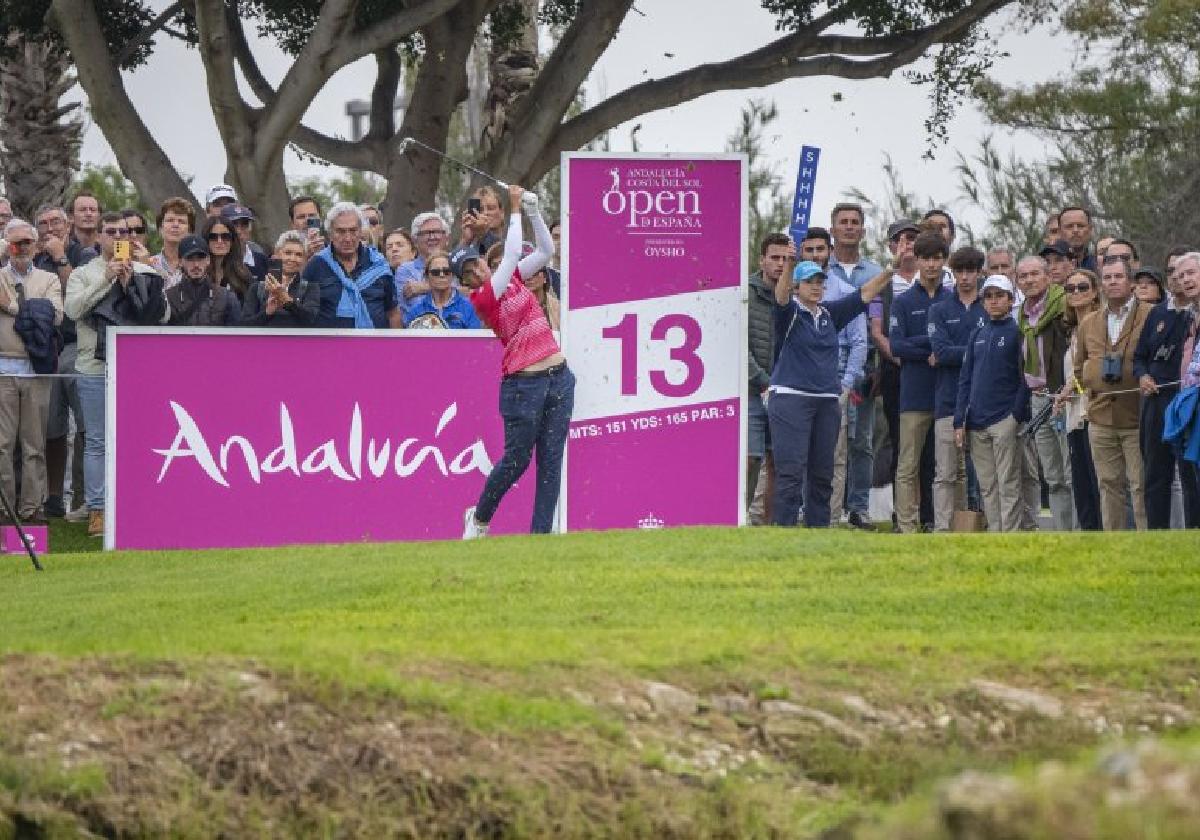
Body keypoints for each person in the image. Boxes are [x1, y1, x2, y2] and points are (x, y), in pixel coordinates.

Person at [458, 185, 569, 537]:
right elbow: (507, 259)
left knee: (551, 462)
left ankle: (540, 538)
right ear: (469, 282)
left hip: (558, 378)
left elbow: (546, 251)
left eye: (477, 264)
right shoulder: (484, 299)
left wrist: (535, 212)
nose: (477, 271)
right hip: (525, 385)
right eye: (471, 272)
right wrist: (516, 205)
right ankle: (479, 519)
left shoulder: (517, 278)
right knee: (516, 461)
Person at [767, 254, 891, 528]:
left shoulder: (829, 314)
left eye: (820, 281)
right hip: (791, 399)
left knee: (823, 473)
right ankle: (784, 531)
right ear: (797, 286)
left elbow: (865, 294)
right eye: (808, 281)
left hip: (826, 401)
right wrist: (788, 266)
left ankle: (818, 530)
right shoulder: (789, 314)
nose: (815, 286)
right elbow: (780, 297)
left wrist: (893, 268)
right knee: (791, 472)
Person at [65, 212, 169, 537]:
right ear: (99, 237)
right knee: (96, 440)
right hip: (94, 367)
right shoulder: (84, 274)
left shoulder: (143, 269)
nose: (118, 237)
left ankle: (138, 504)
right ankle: (98, 510)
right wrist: (107, 279)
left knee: (136, 438)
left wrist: (143, 276)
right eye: (110, 232)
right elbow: (72, 311)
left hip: (134, 367)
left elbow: (163, 315)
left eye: (124, 232)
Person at [1073, 255, 1151, 530]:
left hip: (1137, 417)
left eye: (1118, 276)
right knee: (1108, 484)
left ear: (1130, 281)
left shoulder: (1150, 315)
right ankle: (1114, 542)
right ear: (1101, 284)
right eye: (1107, 277)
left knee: (1140, 485)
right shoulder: (1089, 322)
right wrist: (1091, 391)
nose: (1113, 282)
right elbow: (1079, 365)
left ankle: (1147, 543)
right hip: (1101, 418)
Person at [954, 276, 1030, 532]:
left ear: (1010, 300)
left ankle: (1010, 534)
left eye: (1000, 295)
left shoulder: (1018, 332)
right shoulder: (977, 333)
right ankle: (996, 535)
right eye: (989, 296)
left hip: (1004, 419)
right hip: (976, 422)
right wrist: (959, 420)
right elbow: (965, 379)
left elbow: (1025, 377)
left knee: (1008, 482)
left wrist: (1015, 416)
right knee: (987, 485)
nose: (994, 301)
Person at [33, 204, 94, 520]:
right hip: (45, 350)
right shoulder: (35, 257)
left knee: (85, 426)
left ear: (68, 223)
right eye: (42, 224)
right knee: (52, 429)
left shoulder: (83, 254)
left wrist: (60, 257)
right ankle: (54, 498)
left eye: (55, 220)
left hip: (77, 344)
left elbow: (76, 300)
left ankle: (85, 498)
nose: (49, 228)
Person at [0, 219, 64, 522]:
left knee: (33, 445)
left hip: (36, 369)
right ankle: (5, 510)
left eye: (27, 242)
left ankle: (32, 508)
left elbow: (50, 317)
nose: (21, 248)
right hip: (3, 370)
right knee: (2, 445)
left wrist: (10, 306)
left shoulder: (48, 279)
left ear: (36, 246)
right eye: (15, 242)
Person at [890, 231, 952, 533]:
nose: (931, 264)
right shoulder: (903, 301)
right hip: (913, 394)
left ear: (944, 260)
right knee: (908, 465)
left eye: (937, 258)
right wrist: (932, 345)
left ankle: (945, 523)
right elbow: (896, 346)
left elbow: (959, 342)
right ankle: (907, 526)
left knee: (947, 466)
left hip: (946, 395)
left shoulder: (952, 299)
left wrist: (936, 348)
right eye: (925, 258)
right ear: (917, 261)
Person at [825, 207, 881, 529]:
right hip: (824, 371)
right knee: (828, 445)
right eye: (842, 222)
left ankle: (858, 508)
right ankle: (823, 507)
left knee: (862, 442)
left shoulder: (873, 272)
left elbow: (876, 322)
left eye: (854, 223)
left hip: (863, 372)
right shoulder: (819, 270)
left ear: (863, 230)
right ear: (832, 229)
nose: (848, 227)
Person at [1134, 257, 1199, 528]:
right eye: (1177, 273)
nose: (1183, 279)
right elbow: (1140, 357)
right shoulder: (1170, 314)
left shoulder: (1189, 315)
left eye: (1190, 273)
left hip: (1188, 400)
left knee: (1190, 473)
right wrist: (1144, 375)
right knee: (1160, 474)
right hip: (1165, 403)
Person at [928, 246, 988, 530]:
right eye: (959, 271)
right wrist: (978, 351)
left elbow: (993, 351)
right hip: (947, 401)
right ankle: (943, 529)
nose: (964, 277)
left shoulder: (990, 306)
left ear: (979, 273)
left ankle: (985, 527)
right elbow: (939, 351)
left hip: (985, 403)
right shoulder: (939, 309)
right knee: (945, 474)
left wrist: (956, 353)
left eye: (970, 271)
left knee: (987, 474)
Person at [1017, 255, 1074, 531]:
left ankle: (1080, 531)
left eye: (1034, 274)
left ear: (1048, 277)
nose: (1029, 280)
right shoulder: (1021, 315)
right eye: (1023, 276)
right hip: (1036, 396)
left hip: (1063, 396)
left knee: (1070, 471)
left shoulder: (1063, 305)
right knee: (1052, 475)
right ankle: (1063, 534)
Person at [1053, 269, 1104, 531]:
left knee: (1097, 483)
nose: (1076, 293)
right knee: (1081, 482)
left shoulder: (1101, 324)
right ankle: (1088, 536)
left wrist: (1071, 387)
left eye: (1082, 287)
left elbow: (1092, 366)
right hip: (1074, 416)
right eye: (1070, 289)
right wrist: (1065, 390)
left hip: (1094, 412)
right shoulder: (1072, 331)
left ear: (1095, 292)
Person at [746, 233, 790, 524]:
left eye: (786, 259)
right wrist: (763, 381)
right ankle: (738, 517)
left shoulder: (794, 297)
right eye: (774, 258)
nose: (779, 264)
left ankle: (769, 526)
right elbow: (739, 349)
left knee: (777, 461)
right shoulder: (745, 294)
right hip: (752, 391)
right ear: (762, 259)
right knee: (750, 458)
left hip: (785, 394)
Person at [305, 202, 402, 329]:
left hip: (374, 346)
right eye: (340, 231)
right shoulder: (317, 264)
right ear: (330, 234)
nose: (347, 238)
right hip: (329, 346)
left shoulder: (378, 264)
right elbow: (304, 313)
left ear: (360, 231)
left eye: (353, 230)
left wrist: (393, 347)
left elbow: (393, 312)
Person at [240, 231, 320, 328]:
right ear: (277, 255)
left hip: (297, 342)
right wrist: (267, 313)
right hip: (263, 342)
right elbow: (244, 326)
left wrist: (287, 301)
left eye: (299, 255)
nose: (292, 258)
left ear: (304, 259)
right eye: (288, 253)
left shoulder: (310, 288)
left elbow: (312, 320)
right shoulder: (257, 288)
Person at [165, 235, 241, 327]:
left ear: (208, 260)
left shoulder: (227, 297)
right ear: (180, 262)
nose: (196, 264)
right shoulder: (168, 298)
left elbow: (235, 337)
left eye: (200, 258)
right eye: (190, 259)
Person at [404, 250, 481, 329]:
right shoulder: (416, 310)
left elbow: (475, 339)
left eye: (446, 271)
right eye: (435, 272)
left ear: (452, 275)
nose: (441, 275)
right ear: (427, 277)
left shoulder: (469, 307)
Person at [396, 212, 451, 301]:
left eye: (437, 232)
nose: (432, 237)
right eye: (426, 233)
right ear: (415, 241)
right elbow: (414, 305)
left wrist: (426, 287)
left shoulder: (457, 264)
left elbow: (471, 294)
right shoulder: (406, 270)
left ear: (447, 238)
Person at [199, 215, 252, 302]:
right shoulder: (197, 272)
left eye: (225, 236)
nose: (220, 241)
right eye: (213, 237)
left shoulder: (243, 274)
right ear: (205, 240)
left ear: (232, 241)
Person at [148, 197, 196, 290]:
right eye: (170, 220)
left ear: (190, 231)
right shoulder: (148, 264)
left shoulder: (199, 264)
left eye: (181, 221)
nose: (175, 225)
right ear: (160, 229)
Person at [220, 203, 268, 284]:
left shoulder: (263, 261)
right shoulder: (217, 262)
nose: (239, 231)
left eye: (244, 224)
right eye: (233, 225)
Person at [457, 185, 505, 256]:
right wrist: (465, 240)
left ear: (502, 213)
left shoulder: (512, 241)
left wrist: (484, 234)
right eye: (481, 210)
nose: (485, 213)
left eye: (491, 208)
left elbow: (499, 257)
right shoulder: (471, 247)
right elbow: (455, 265)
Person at [1058, 206, 1098, 271]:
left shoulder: (1099, 266)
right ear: (1060, 232)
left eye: (1080, 226)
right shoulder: (1047, 267)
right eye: (1069, 226)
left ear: (1090, 230)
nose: (1075, 230)